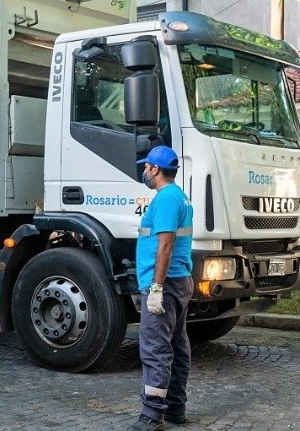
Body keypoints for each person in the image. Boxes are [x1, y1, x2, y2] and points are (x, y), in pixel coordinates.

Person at [128, 145, 194, 431]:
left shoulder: (166, 198)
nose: (144, 171)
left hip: (164, 285)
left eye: (146, 167)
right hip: (179, 281)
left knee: (155, 348)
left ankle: (152, 416)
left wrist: (156, 287)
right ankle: (175, 409)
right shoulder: (179, 196)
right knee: (178, 345)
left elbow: (165, 245)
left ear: (155, 169)